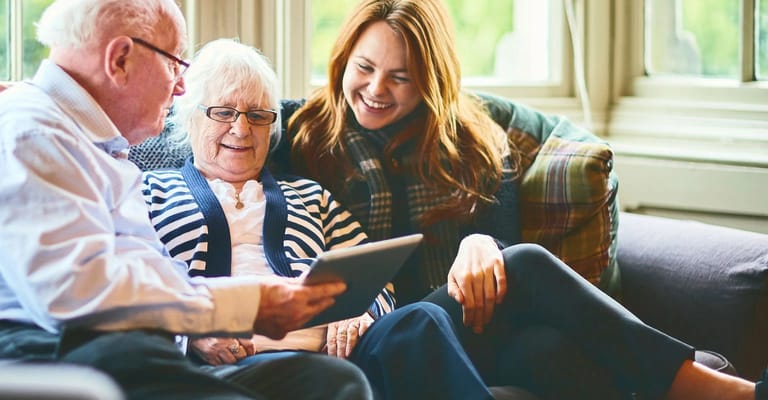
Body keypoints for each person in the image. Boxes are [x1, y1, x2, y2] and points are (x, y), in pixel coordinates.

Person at [276, 0, 765, 399]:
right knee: (528, 263)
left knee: (547, 350)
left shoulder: (472, 140)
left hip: (472, 324)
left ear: (429, 81)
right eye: (364, 67)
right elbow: (215, 139)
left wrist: (481, 242)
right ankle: (723, 392)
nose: (376, 89)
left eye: (400, 77)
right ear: (342, 59)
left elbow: (501, 250)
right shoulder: (300, 132)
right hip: (389, 333)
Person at [0, 1, 373, 399]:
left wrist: (244, 309)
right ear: (120, 58)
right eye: (175, 64)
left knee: (329, 381)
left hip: (108, 349)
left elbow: (144, 284)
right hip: (12, 352)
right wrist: (241, 305)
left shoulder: (97, 149)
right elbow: (75, 294)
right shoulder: (27, 131)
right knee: (128, 354)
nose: (181, 85)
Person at [142, 37, 495, 400]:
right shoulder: (149, 193)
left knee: (423, 319)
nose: (241, 129)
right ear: (189, 115)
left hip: (338, 348)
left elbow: (375, 275)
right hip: (233, 363)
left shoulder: (311, 196)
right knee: (326, 377)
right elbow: (125, 286)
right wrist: (190, 327)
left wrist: (361, 310)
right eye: (223, 112)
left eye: (258, 116)